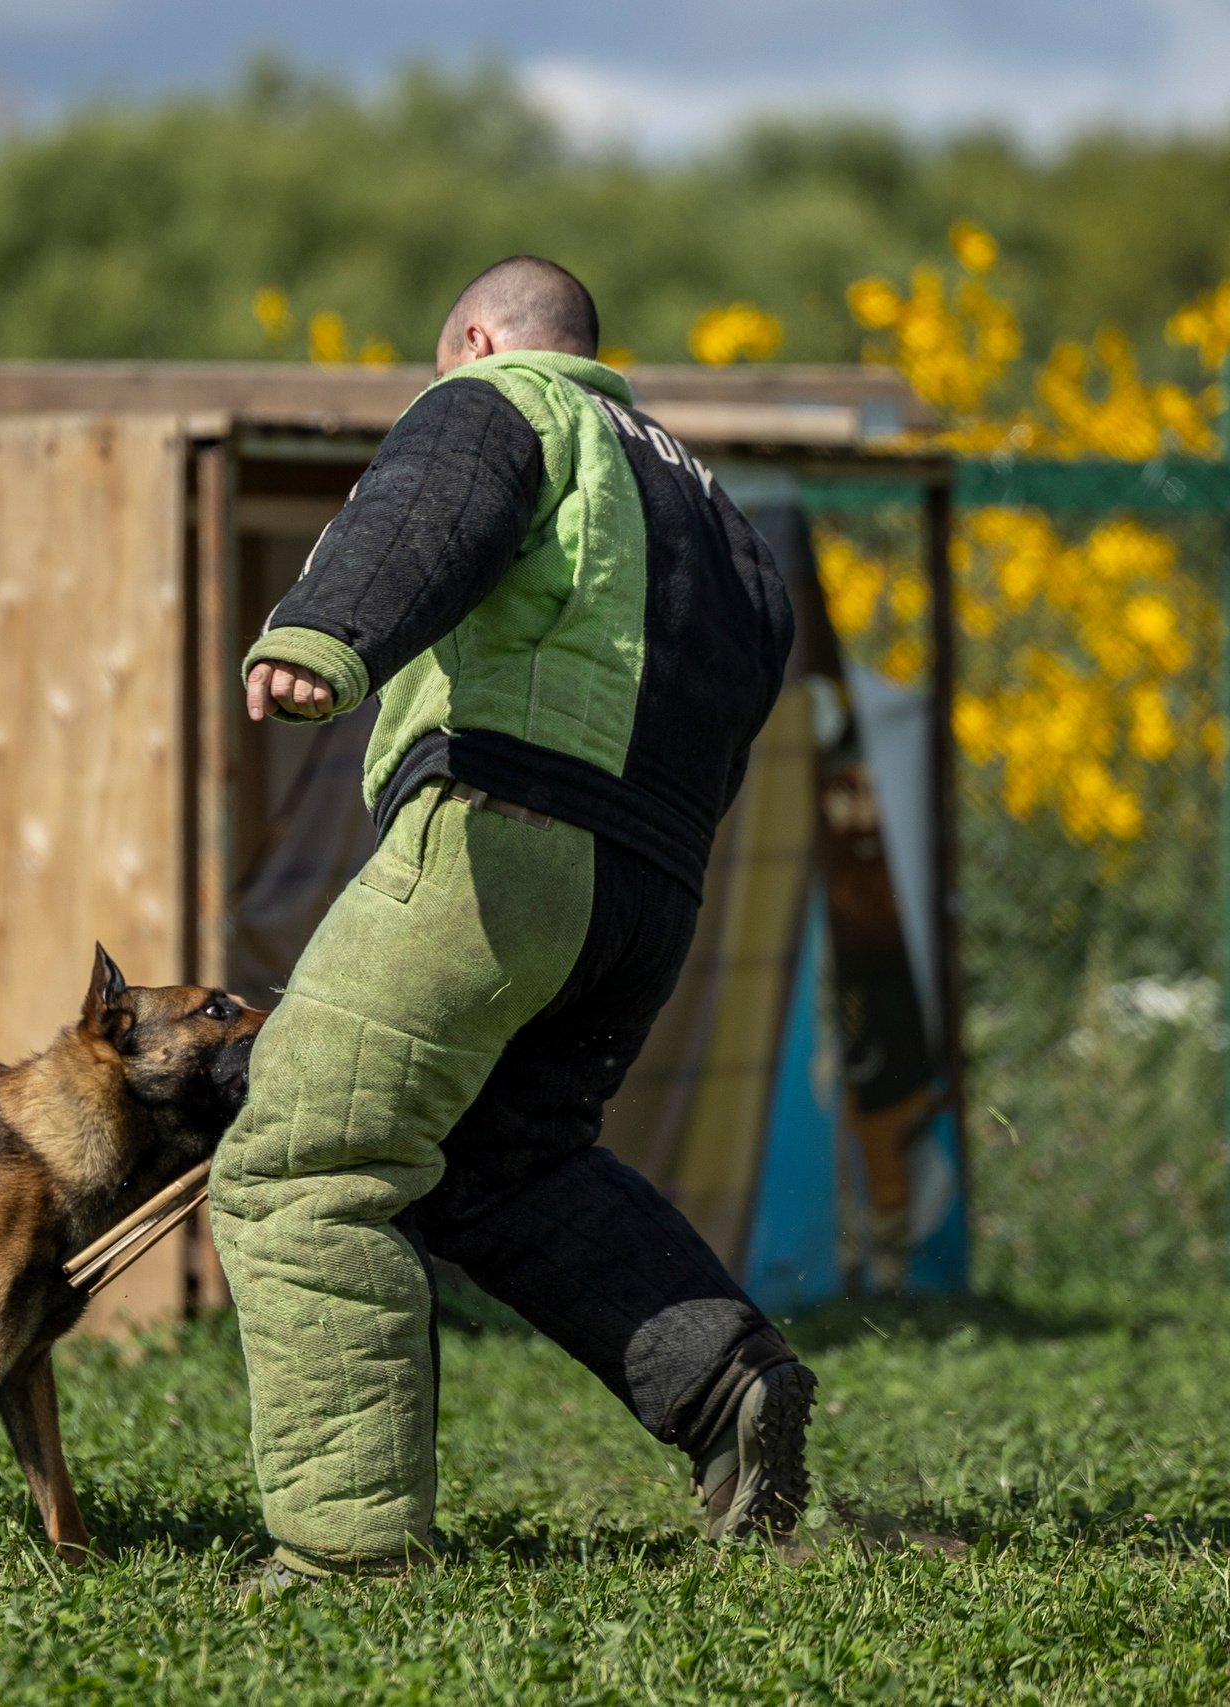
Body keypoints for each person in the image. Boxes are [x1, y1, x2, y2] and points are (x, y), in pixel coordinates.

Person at [209, 255, 815, 1587]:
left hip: (507, 838)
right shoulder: (716, 516)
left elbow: (435, 501)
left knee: (305, 1166)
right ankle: (723, 1384)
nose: (445, 391)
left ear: (479, 337)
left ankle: (346, 1551)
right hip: (650, 890)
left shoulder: (508, 399)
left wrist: (323, 634)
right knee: (506, 1156)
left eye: (446, 367)